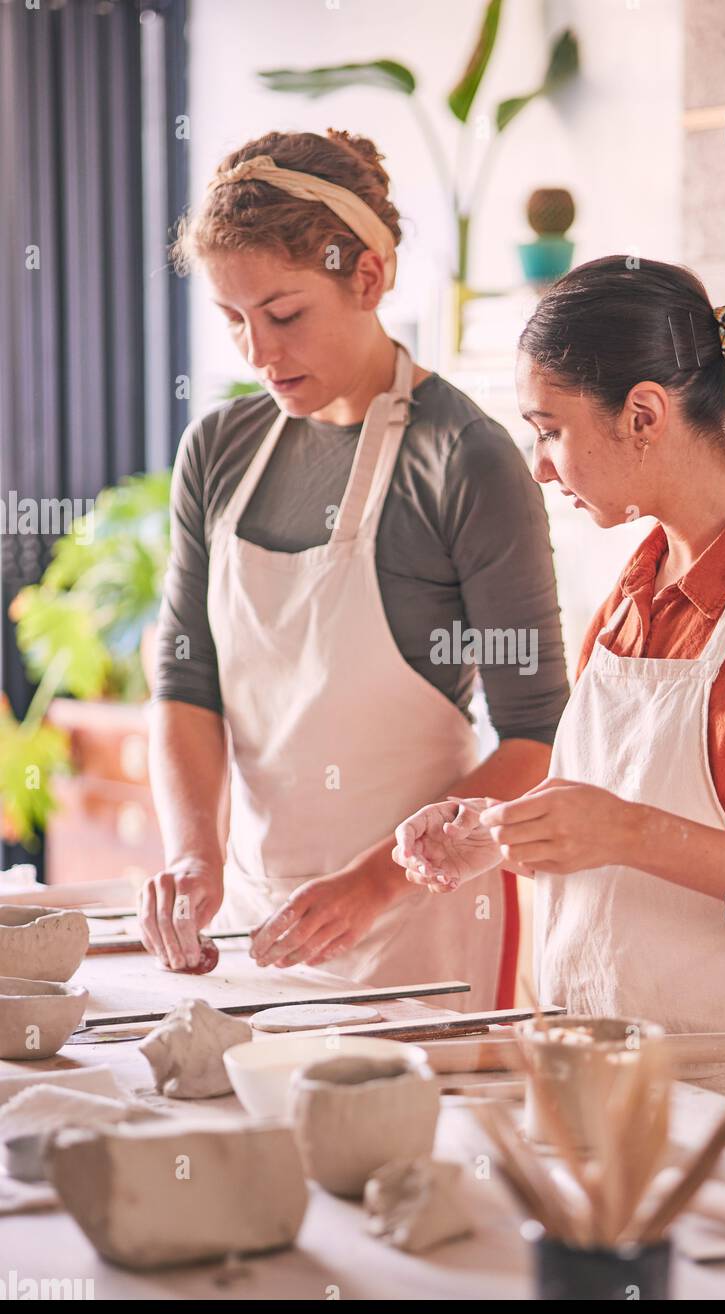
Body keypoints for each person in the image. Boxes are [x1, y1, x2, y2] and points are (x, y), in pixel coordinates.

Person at [393, 257, 725, 1137]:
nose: (539, 468)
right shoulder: (641, 576)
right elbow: (615, 813)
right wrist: (495, 832)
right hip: (599, 1069)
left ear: (643, 415)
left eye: (550, 431)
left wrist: (628, 833)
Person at [137, 130, 569, 1010]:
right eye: (234, 319)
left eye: (284, 314)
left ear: (368, 277)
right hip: (255, 924)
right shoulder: (218, 450)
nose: (257, 354)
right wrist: (195, 854)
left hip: (422, 932)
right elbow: (186, 685)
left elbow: (537, 740)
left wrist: (375, 884)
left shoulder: (467, 460)